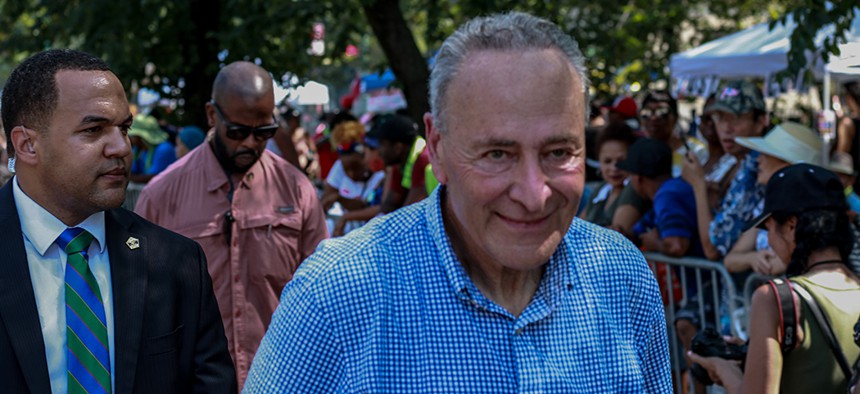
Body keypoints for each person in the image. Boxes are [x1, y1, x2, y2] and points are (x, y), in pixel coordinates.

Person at [244, 12, 671, 392]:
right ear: (438, 146)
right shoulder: (336, 295)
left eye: (559, 152)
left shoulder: (622, 276)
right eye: (497, 155)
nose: (534, 193)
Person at [0, 49, 235, 393]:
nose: (121, 147)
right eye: (94, 129)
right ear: (27, 144)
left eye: (123, 128)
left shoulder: (176, 263)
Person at [134, 61, 328, 387]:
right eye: (238, 132)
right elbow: (140, 304)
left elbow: (322, 297)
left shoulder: (297, 192)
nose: (251, 143)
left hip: (281, 379)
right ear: (212, 115)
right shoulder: (160, 197)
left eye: (264, 132)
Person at [689, 163, 860, 394]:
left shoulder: (775, 299)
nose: (768, 240)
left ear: (791, 226)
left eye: (767, 228)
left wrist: (724, 370)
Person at [681, 80, 768, 261]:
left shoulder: (757, 165)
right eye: (720, 117)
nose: (726, 128)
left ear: (761, 122)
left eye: (736, 118)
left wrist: (698, 185)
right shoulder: (741, 161)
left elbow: (713, 249)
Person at [320, 120, 386, 236]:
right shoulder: (339, 166)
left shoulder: (381, 172)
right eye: (346, 171)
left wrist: (346, 216)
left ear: (364, 155)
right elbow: (326, 201)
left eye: (355, 168)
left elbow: (377, 208)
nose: (351, 174)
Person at [371, 114, 435, 213]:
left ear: (398, 147)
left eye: (382, 145)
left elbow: (410, 212)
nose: (379, 151)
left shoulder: (423, 159)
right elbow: (389, 205)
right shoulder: (400, 162)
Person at [579, 121, 639, 226]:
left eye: (621, 161)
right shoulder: (600, 191)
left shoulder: (636, 191)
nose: (614, 168)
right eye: (607, 161)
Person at [128, 113, 177, 183]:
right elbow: (132, 171)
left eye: (132, 135)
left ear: (141, 137)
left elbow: (154, 178)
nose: (130, 137)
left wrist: (127, 178)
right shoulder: (139, 150)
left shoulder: (164, 149)